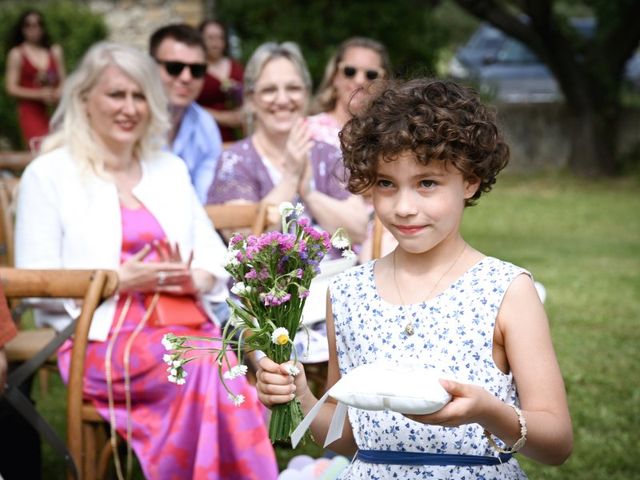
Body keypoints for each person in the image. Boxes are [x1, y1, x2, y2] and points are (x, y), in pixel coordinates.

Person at [256, 79, 573, 478]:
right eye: (387, 184)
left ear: (470, 180)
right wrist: (299, 393)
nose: (405, 207)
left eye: (427, 183)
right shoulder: (348, 293)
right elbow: (350, 438)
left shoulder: (505, 290)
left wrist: (488, 411)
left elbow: (557, 442)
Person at [14, 42, 278, 479]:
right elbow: (35, 280)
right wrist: (118, 280)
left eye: (140, 96)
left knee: (220, 368)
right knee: (205, 369)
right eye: (116, 94)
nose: (130, 108)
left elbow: (213, 255)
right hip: (100, 337)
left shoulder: (169, 169)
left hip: (182, 322)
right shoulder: (50, 173)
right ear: (84, 100)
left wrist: (194, 277)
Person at [207, 41, 368, 247]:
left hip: (334, 276)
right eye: (269, 90)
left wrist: (309, 194)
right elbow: (246, 241)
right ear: (250, 99)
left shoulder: (327, 154)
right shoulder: (235, 161)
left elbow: (358, 231)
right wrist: (291, 179)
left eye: (293, 88)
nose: (282, 100)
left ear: (306, 94)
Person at [149, 23, 224, 204]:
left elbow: (206, 198)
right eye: (174, 67)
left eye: (197, 70)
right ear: (150, 66)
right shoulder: (129, 120)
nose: (186, 77)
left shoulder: (205, 124)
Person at [307, 37, 391, 149]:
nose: (359, 81)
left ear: (384, 83)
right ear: (334, 76)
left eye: (371, 74)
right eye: (350, 71)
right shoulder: (306, 131)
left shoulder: (390, 139)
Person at [5, 8, 65, 150]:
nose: (34, 29)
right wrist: (39, 94)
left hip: (56, 109)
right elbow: (11, 87)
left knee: (60, 147)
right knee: (40, 148)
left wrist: (58, 93)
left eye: (38, 24)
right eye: (28, 25)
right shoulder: (17, 54)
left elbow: (63, 81)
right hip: (31, 112)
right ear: (22, 28)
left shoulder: (54, 51)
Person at [196, 19, 245, 143]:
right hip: (205, 133)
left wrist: (243, 112)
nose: (215, 43)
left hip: (237, 133)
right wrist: (221, 117)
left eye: (220, 38)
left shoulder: (236, 67)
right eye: (210, 38)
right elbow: (187, 105)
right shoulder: (194, 69)